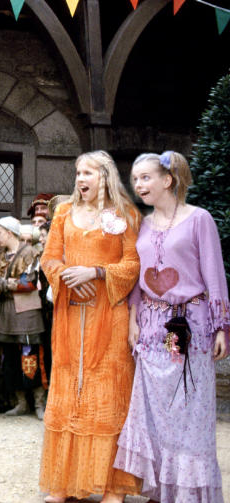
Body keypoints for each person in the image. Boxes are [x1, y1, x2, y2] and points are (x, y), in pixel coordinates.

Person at [114, 151, 229, 503]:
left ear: (167, 180)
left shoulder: (200, 219)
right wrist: (133, 320)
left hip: (190, 328)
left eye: (145, 178)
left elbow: (214, 275)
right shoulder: (143, 224)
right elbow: (136, 278)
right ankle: (160, 490)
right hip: (150, 330)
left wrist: (221, 326)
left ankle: (187, 493)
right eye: (135, 179)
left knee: (189, 410)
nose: (138, 185)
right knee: (155, 411)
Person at [39, 150, 142, 503]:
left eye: (89, 173)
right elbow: (49, 258)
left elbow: (132, 264)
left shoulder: (125, 214)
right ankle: (64, 483)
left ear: (105, 177)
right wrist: (67, 276)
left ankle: (112, 487)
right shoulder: (64, 212)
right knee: (69, 388)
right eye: (78, 172)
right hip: (70, 314)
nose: (81, 179)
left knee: (108, 392)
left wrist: (96, 272)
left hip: (109, 316)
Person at [0, 216, 45, 417]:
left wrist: (3, 284)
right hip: (5, 314)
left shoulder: (29, 253)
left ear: (10, 233)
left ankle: (38, 404)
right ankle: (20, 403)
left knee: (30, 357)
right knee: (9, 360)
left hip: (26, 314)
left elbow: (30, 283)